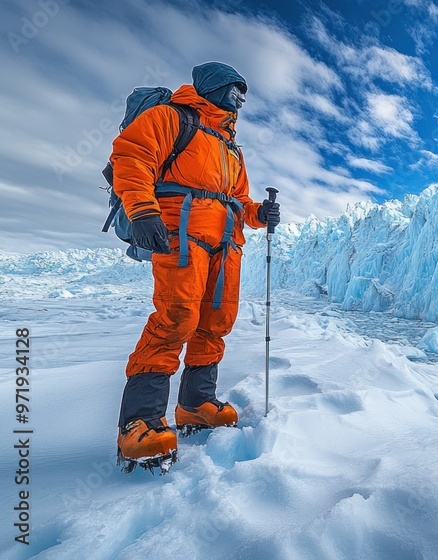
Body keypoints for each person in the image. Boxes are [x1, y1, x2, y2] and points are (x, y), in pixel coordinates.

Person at [111, 62, 280, 471]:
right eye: (234, 91)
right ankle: (140, 423)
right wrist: (143, 210)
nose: (240, 100)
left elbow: (237, 200)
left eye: (243, 94)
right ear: (213, 87)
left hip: (225, 243)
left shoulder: (230, 147)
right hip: (179, 233)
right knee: (176, 317)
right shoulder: (172, 117)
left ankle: (196, 404)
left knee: (216, 320)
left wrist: (261, 213)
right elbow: (131, 157)